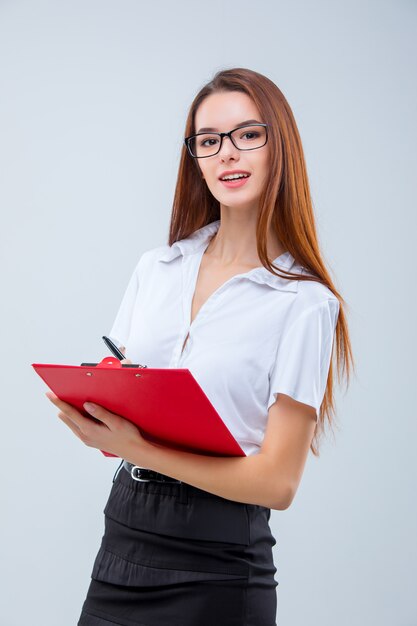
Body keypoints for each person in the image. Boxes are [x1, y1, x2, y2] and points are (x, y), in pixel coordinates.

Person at [46, 67, 354, 626]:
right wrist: (102, 410)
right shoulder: (157, 269)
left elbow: (278, 483)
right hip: (125, 536)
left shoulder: (304, 302)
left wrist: (136, 447)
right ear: (195, 157)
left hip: (219, 561)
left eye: (247, 134)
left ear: (278, 145)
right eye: (208, 141)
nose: (227, 154)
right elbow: (124, 429)